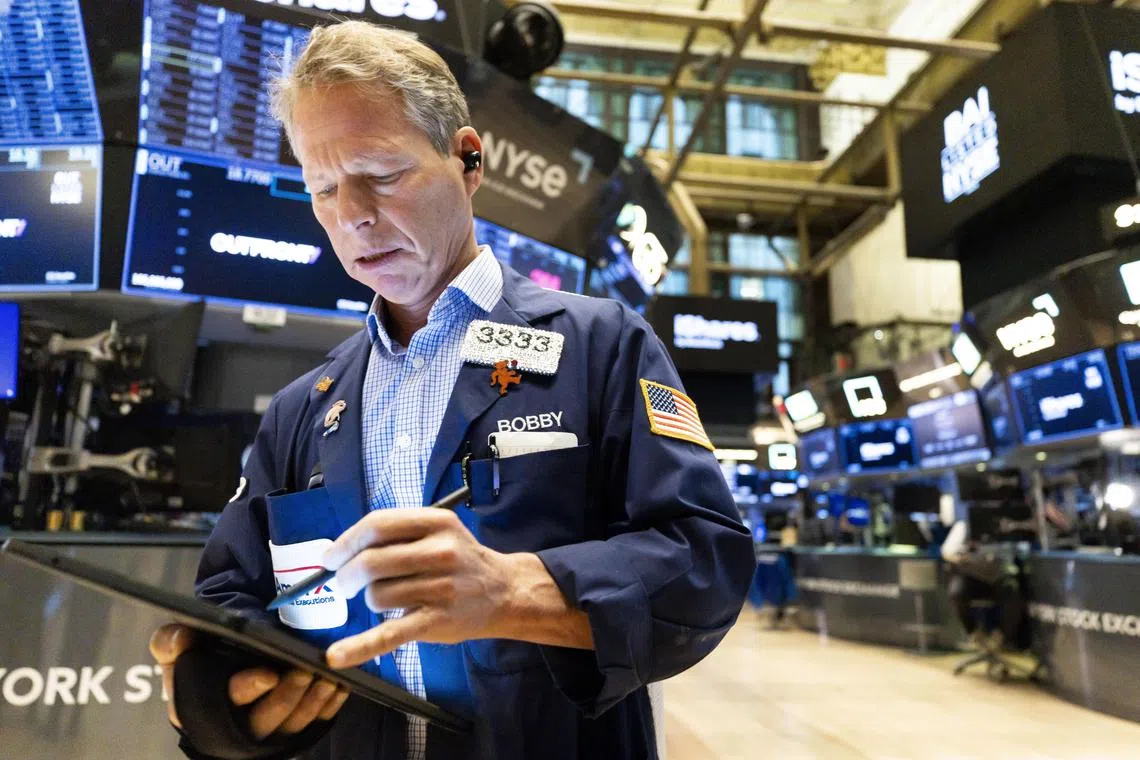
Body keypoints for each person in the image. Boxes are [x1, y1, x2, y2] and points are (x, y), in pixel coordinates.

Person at [148, 20, 755, 760]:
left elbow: (704, 564)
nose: (353, 215)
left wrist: (516, 591)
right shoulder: (303, 407)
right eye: (323, 188)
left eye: (382, 173)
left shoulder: (603, 346)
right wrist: (218, 697)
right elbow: (233, 595)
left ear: (468, 159)